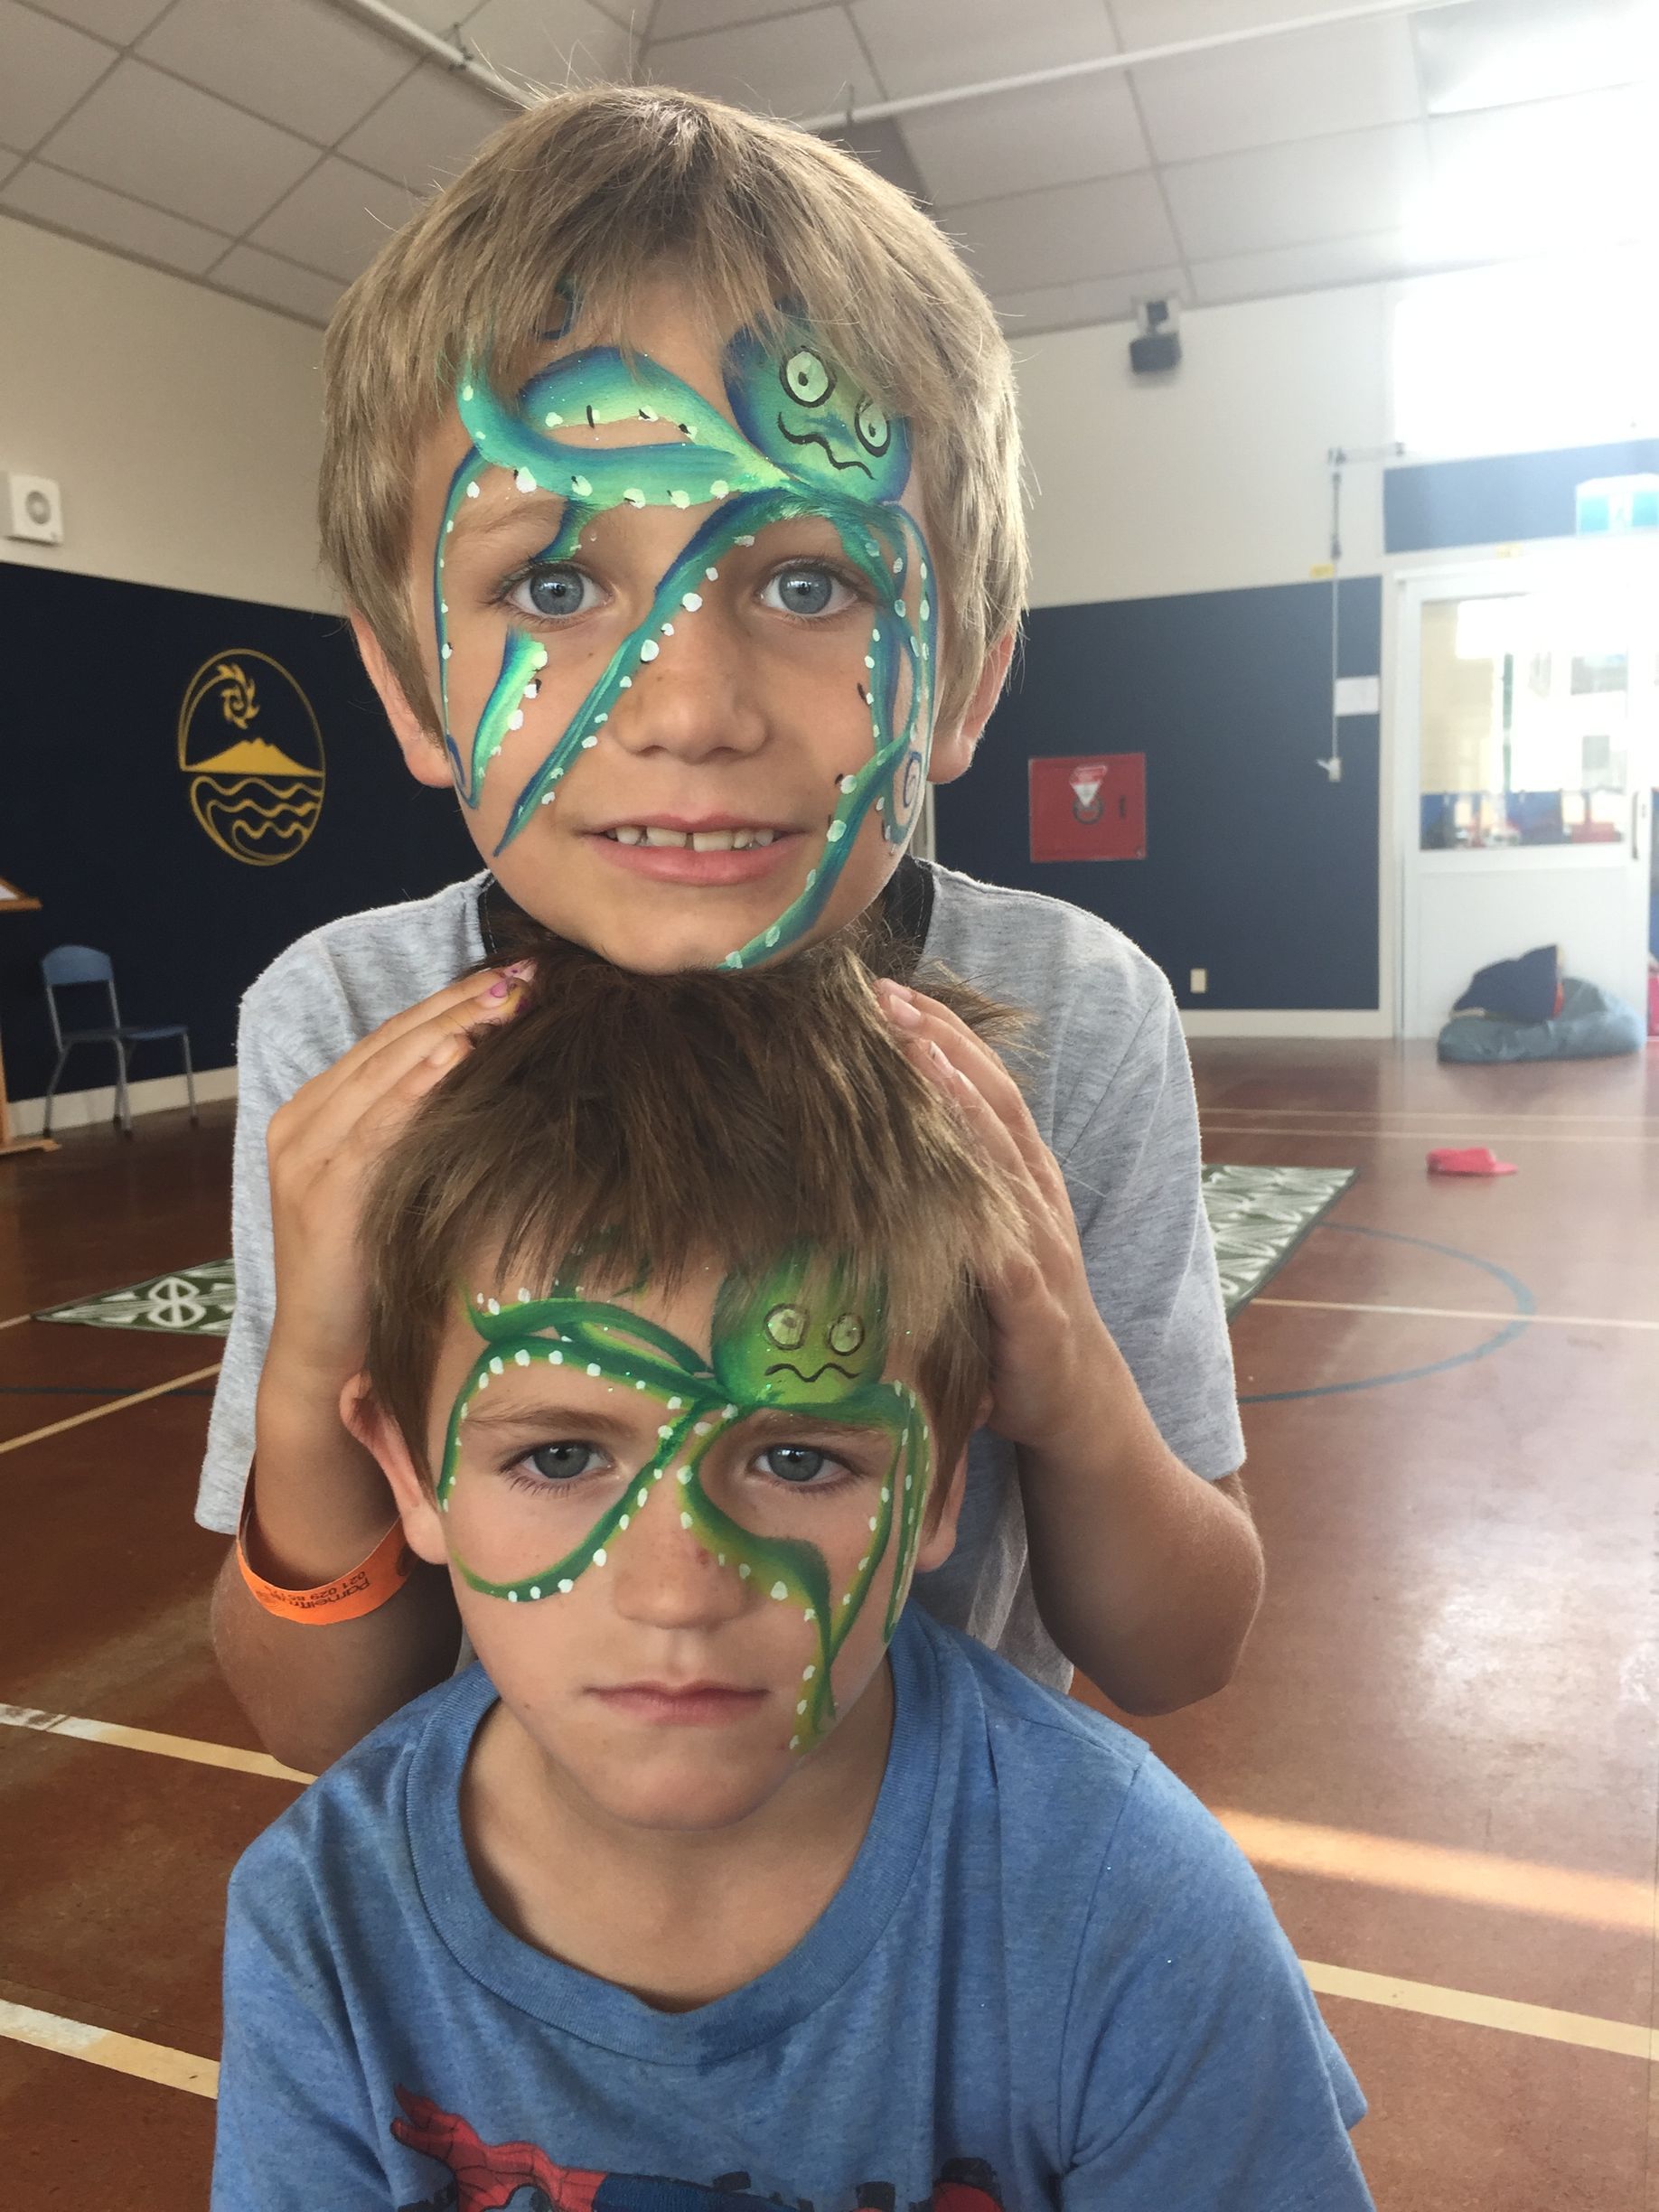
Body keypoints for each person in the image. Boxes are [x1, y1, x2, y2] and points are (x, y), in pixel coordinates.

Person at [202, 83, 1262, 1776]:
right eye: (554, 587)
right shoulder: (347, 1019)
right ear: (408, 683)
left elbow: (1180, 1650)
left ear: (971, 677)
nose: (686, 705)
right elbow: (324, 1728)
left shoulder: (1066, 1010)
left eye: (810, 583)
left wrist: (1061, 1373)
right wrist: (315, 1369)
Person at [212, 942, 1370, 2212]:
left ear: (939, 1488)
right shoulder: (321, 1922)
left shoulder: (1131, 1911)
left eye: (800, 1459)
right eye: (556, 1455)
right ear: (412, 1478)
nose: (677, 1592)